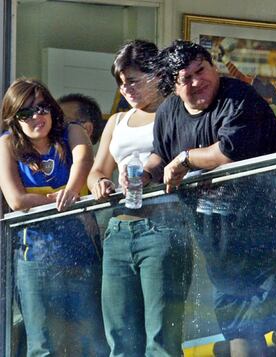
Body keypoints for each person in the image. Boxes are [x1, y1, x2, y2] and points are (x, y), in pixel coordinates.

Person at [122, 40, 276, 356]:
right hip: (226, 247)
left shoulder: (239, 97)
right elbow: (159, 157)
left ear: (213, 66)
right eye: (186, 78)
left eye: (201, 70)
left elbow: (228, 151)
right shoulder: (168, 112)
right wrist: (141, 174)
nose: (197, 81)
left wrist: (184, 159)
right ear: (172, 86)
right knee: (240, 330)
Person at [87, 40, 193, 357]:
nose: (126, 89)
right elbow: (96, 171)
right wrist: (101, 183)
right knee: (119, 337)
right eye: (121, 82)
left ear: (156, 73)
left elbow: (183, 158)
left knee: (161, 338)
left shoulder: (176, 109)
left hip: (163, 226)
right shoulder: (118, 121)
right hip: (118, 231)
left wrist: (148, 175)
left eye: (133, 79)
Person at [0, 78, 107, 356]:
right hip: (33, 256)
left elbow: (84, 161)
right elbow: (16, 201)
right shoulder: (8, 144)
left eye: (42, 107)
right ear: (14, 118)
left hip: (81, 251)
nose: (37, 116)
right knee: (43, 344)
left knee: (90, 341)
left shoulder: (71, 131)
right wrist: (60, 199)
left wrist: (70, 190)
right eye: (26, 112)